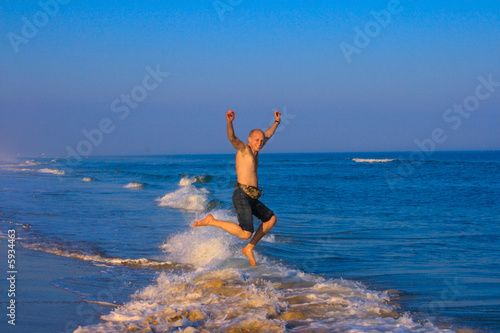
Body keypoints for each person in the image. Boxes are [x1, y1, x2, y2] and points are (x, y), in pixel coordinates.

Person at [194, 110, 281, 266]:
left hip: (252, 197)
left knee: (271, 219)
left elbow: (267, 134)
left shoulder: (257, 149)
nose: (260, 143)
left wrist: (276, 122)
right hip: (241, 195)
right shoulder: (244, 149)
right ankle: (212, 221)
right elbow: (232, 138)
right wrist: (229, 122)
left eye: (261, 141)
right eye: (256, 140)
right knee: (245, 233)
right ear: (249, 140)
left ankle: (249, 248)